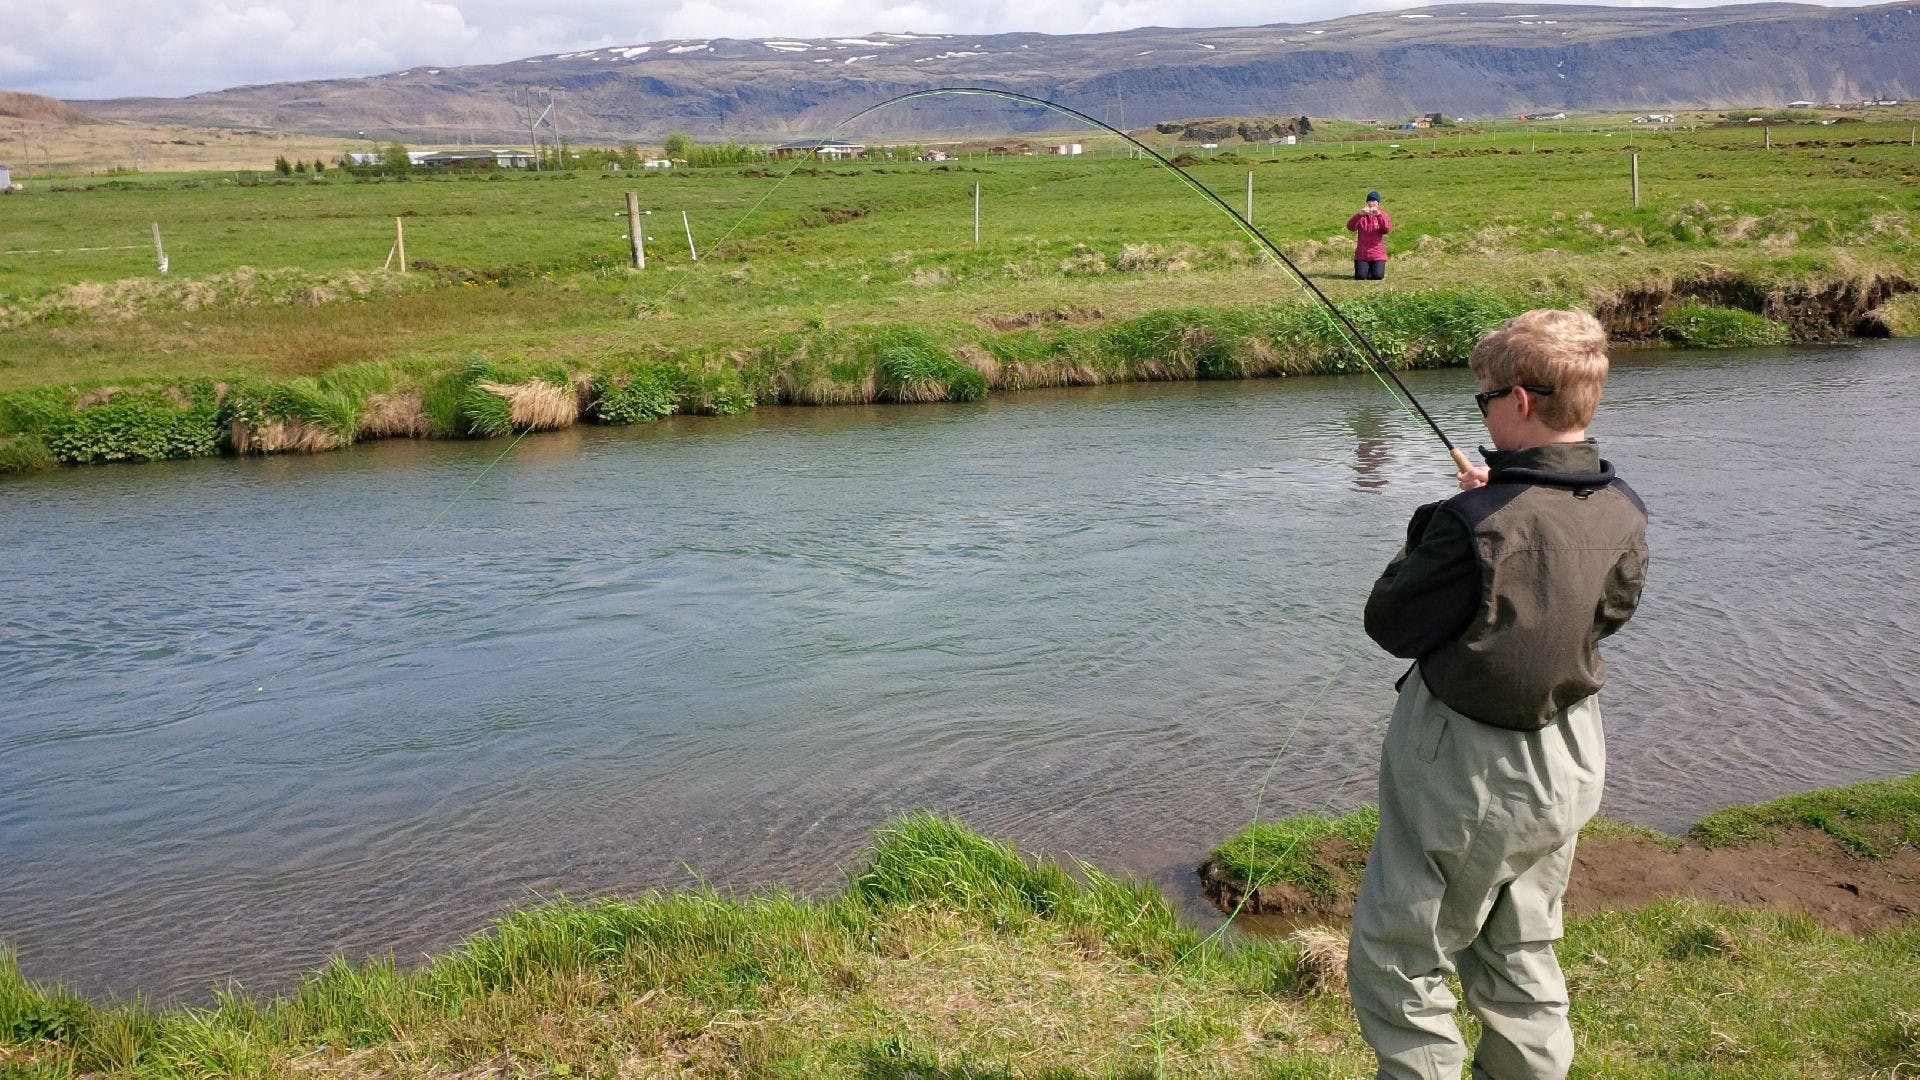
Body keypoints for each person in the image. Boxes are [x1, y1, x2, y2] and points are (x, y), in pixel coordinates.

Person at [1347, 308, 1649, 1080]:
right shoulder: (1625, 510)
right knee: (1522, 946)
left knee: (1402, 953)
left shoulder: (1471, 524)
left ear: (1519, 401)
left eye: (1482, 399)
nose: (1478, 412)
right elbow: (1607, 614)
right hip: (1572, 759)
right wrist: (1495, 501)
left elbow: (1392, 621)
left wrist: (1448, 522)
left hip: (1468, 768)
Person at [1348, 191, 1392, 280]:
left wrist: (1379, 215)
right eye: (1370, 201)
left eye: (1374, 201)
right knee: (1360, 276)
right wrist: (1359, 215)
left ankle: (1374, 269)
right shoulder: (1361, 216)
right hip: (1362, 255)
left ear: (1378, 203)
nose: (1372, 203)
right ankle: (1365, 270)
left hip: (1377, 254)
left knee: (1378, 276)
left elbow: (1386, 229)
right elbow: (1350, 227)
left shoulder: (1383, 215)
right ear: (1366, 203)